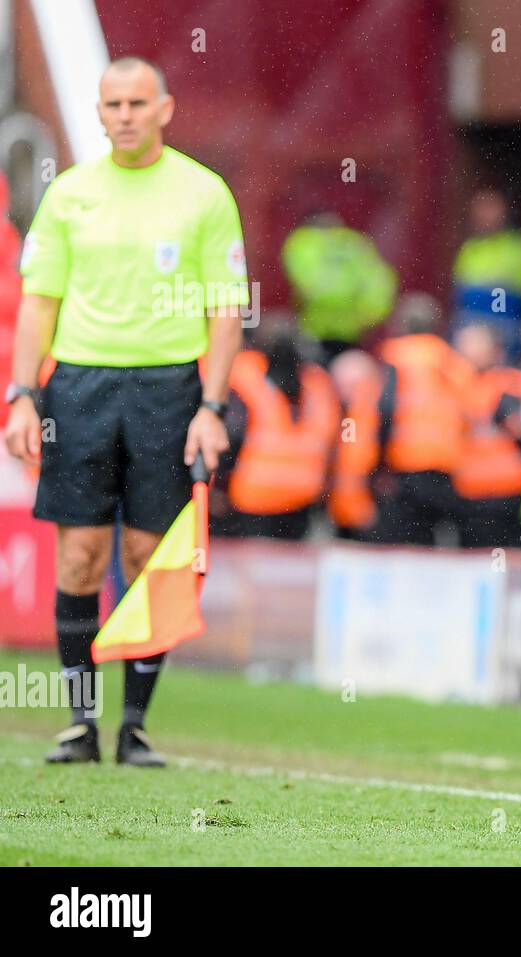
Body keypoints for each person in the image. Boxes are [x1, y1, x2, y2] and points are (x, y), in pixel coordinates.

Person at [3, 57, 247, 766]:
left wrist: (211, 405)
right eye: (113, 103)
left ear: (165, 109)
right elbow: (38, 303)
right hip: (78, 387)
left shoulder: (204, 194)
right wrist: (22, 394)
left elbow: (227, 309)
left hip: (167, 389)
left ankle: (134, 725)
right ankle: (80, 723)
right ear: (100, 110)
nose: (125, 115)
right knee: (78, 554)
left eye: (139, 102)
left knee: (149, 556)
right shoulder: (70, 193)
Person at [327, 294, 474, 545]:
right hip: (449, 480)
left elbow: (362, 435)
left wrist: (353, 501)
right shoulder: (458, 368)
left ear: (400, 326)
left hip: (399, 478)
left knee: (400, 556)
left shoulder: (387, 366)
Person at [210, 320, 340, 541]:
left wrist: (217, 487)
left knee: (252, 569)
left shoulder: (244, 377)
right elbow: (334, 440)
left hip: (253, 500)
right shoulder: (319, 384)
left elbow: (230, 435)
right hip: (303, 497)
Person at [450, 322, 521, 551]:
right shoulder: (454, 385)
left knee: (510, 565)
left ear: (494, 349)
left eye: (474, 342)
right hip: (468, 494)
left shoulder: (512, 384)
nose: (466, 350)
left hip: (510, 492)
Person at [282, 211, 397, 363]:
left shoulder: (304, 242)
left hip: (315, 328)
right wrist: (367, 317)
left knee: (315, 378)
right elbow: (381, 283)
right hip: (353, 331)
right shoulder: (355, 244)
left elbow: (306, 283)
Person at [451, 188, 521, 363]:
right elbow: (461, 292)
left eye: (491, 209)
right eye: (481, 210)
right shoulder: (470, 249)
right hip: (474, 330)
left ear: (504, 212)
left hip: (506, 332)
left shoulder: (520, 246)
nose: (486, 216)